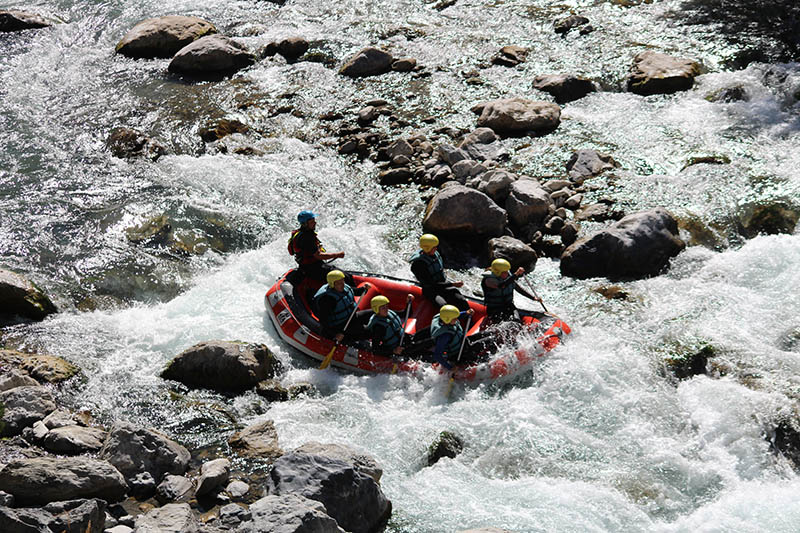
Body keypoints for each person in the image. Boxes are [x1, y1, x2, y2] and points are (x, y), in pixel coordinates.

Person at [409, 234, 469, 312]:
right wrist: (452, 284)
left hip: (443, 285)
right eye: (434, 247)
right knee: (443, 305)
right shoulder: (419, 264)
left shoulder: (435, 253)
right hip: (431, 290)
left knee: (461, 299)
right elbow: (431, 284)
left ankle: (468, 320)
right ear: (427, 248)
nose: (436, 248)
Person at [288, 210, 348, 286]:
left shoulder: (297, 234)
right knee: (344, 276)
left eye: (314, 221)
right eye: (312, 221)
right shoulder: (307, 237)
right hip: (313, 268)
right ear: (305, 224)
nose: (315, 223)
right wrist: (337, 255)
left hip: (305, 267)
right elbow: (318, 256)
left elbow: (291, 252)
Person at [313, 270, 370, 343]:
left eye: (342, 281)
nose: (342, 284)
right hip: (339, 326)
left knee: (373, 313)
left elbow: (357, 292)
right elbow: (324, 321)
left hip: (351, 318)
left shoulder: (344, 287)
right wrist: (335, 334)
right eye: (339, 283)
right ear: (332, 284)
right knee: (368, 332)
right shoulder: (328, 300)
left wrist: (364, 289)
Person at [429, 305, 493, 368]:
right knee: (480, 346)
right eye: (455, 319)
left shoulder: (442, 317)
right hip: (458, 354)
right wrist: (450, 367)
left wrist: (466, 313)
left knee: (484, 335)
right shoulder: (445, 336)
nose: (457, 319)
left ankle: (495, 335)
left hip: (462, 342)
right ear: (447, 320)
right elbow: (437, 355)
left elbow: (457, 315)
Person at [480, 259, 540, 323]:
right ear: (498, 272)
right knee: (501, 323)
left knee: (517, 320)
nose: (507, 273)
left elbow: (518, 289)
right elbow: (502, 286)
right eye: (504, 272)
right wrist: (516, 274)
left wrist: (533, 298)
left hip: (509, 306)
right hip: (495, 308)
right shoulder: (489, 280)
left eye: (507, 271)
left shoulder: (508, 277)